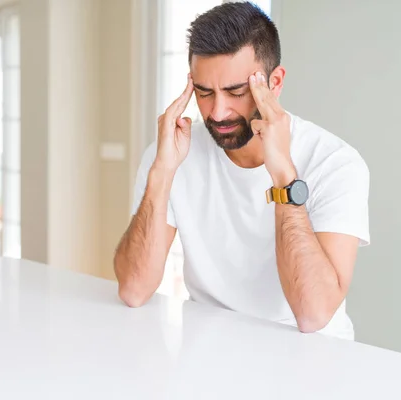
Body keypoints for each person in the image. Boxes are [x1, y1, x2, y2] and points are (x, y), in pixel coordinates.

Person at [113, 1, 369, 340]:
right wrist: (161, 174)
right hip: (210, 346)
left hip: (312, 356)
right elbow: (133, 290)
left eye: (236, 92)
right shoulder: (171, 154)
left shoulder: (335, 163)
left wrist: (284, 178)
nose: (218, 112)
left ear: (274, 82)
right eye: (204, 93)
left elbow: (313, 314)